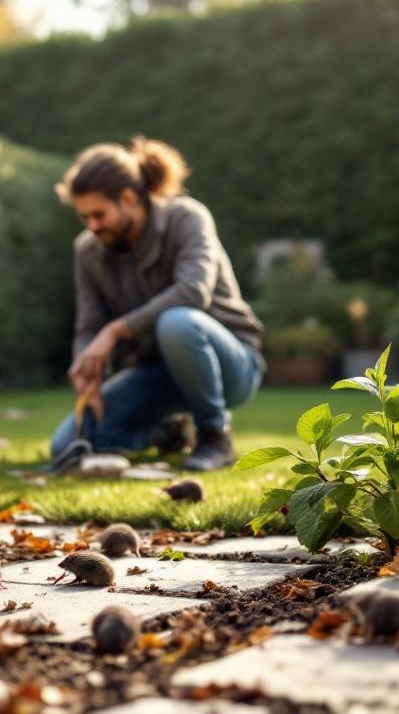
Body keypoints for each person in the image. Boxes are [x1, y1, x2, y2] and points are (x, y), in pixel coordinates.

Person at [49, 137, 265, 471]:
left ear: (129, 198)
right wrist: (86, 367)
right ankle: (166, 434)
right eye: (84, 217)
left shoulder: (186, 218)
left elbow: (193, 292)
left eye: (99, 214)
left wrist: (116, 330)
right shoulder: (87, 251)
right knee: (67, 445)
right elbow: (88, 326)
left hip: (230, 364)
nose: (92, 226)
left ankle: (214, 436)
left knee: (177, 322)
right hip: (157, 373)